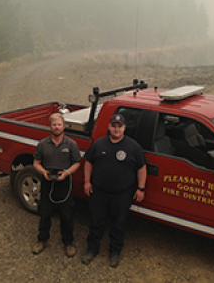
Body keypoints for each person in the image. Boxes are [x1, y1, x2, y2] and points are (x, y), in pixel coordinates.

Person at [81, 113, 147, 267]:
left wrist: (141, 188)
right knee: (96, 222)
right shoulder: (99, 144)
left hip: (123, 194)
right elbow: (88, 162)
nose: (116, 129)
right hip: (99, 192)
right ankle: (92, 249)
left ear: (125, 128)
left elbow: (142, 168)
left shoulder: (133, 146)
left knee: (119, 224)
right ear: (109, 127)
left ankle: (115, 252)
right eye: (114, 126)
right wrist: (86, 182)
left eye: (120, 126)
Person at [32, 113, 81, 257]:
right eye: (54, 124)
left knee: (67, 215)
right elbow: (36, 163)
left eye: (59, 124)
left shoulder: (71, 144)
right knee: (44, 213)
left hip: (65, 183)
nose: (57, 127)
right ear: (50, 126)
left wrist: (66, 173)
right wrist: (43, 172)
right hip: (47, 182)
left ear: (64, 126)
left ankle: (68, 242)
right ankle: (42, 239)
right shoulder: (42, 144)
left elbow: (77, 163)